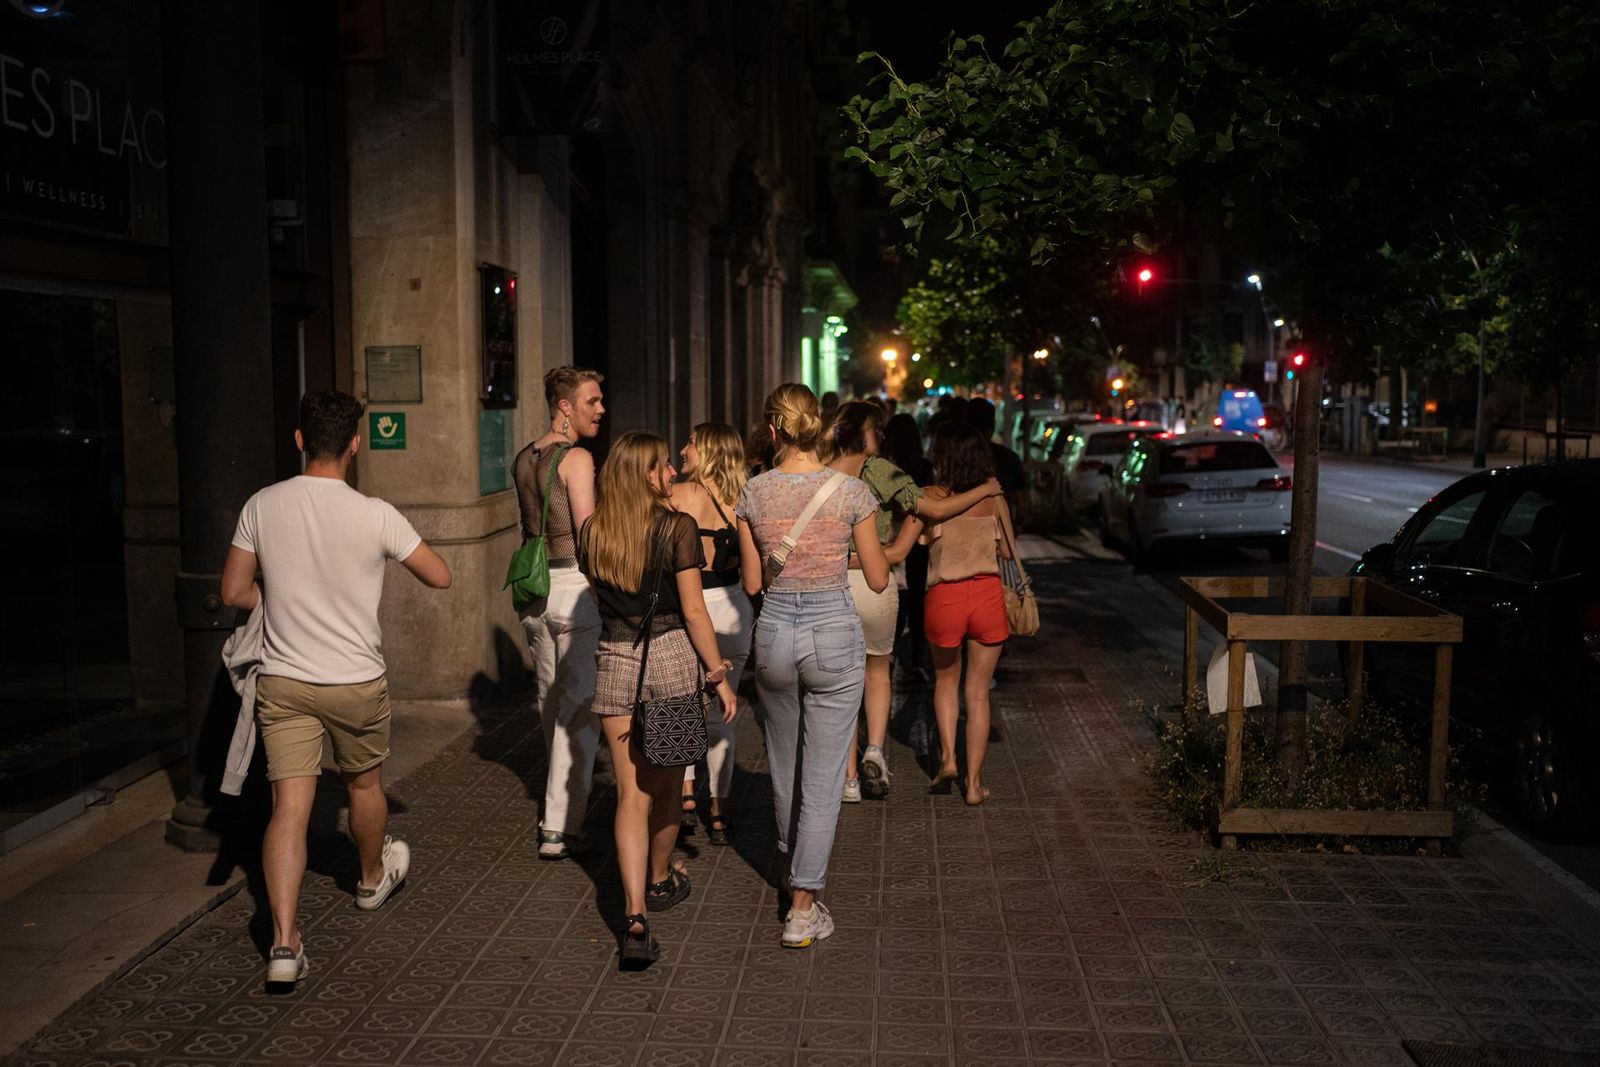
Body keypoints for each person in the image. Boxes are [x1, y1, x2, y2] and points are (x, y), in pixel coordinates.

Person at [220, 391, 453, 986]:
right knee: (365, 783)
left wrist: (276, 597)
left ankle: (283, 943)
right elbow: (441, 575)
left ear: (299, 439)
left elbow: (232, 592)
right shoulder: (376, 513)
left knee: (289, 807)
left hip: (285, 679)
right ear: (355, 443)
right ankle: (372, 879)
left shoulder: (262, 505)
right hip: (354, 679)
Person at [737, 383, 887, 949]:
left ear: (773, 430)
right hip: (832, 631)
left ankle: (788, 865)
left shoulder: (753, 493)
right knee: (824, 777)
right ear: (816, 427)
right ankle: (802, 906)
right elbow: (875, 576)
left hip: (774, 630)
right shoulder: (850, 492)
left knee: (784, 764)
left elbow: (753, 582)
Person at [580, 432, 738, 969]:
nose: (672, 471)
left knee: (630, 793)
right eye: (664, 465)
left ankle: (633, 914)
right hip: (671, 663)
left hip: (614, 662)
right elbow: (695, 612)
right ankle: (660, 877)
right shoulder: (678, 528)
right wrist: (718, 677)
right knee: (668, 781)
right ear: (647, 474)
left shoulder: (592, 533)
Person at [823, 402, 1002, 802]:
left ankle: (854, 774)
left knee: (848, 681)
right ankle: (894, 756)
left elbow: (906, 542)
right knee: (888, 672)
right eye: (876, 430)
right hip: (909, 587)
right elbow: (996, 543)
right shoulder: (883, 472)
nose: (881, 437)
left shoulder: (819, 470)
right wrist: (987, 491)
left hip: (851, 587)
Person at [513, 366, 606, 860]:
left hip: (534, 593)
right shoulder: (577, 459)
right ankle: (560, 822)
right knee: (579, 711)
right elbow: (587, 532)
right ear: (565, 407)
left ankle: (558, 802)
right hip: (572, 588)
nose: (600, 409)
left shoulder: (524, 458)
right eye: (591, 401)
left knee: (551, 704)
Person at [920, 421, 1013, 806]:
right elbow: (1008, 552)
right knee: (977, 693)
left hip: (945, 597)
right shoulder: (994, 498)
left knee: (945, 681)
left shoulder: (931, 496)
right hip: (988, 596)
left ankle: (948, 759)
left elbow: (923, 539)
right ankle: (974, 786)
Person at [670, 423, 752, 845]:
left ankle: (684, 796)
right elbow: (755, 578)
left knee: (686, 708)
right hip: (734, 608)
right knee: (725, 716)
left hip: (692, 610)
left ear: (710, 451)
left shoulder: (678, 495)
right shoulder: (744, 500)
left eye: (691, 443)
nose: (683, 449)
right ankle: (719, 813)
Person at [882, 413, 934, 676]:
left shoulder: (882, 468)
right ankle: (917, 657)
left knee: (892, 593)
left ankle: (887, 652)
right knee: (917, 593)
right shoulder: (923, 467)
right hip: (919, 538)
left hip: (889, 537)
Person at [965, 397, 1026, 524]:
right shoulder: (1009, 457)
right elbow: (1021, 502)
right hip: (1000, 525)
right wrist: (1016, 525)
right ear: (992, 424)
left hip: (966, 527)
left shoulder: (958, 457)